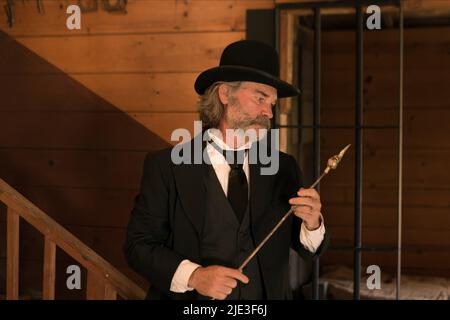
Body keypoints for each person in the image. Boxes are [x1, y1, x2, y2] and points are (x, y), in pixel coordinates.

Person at [123, 40, 328, 300]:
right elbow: (138, 246)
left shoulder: (284, 167)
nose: (268, 112)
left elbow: (308, 249)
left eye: (272, 104)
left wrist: (312, 223)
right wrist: (195, 276)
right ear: (224, 95)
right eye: (260, 97)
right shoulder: (166, 167)